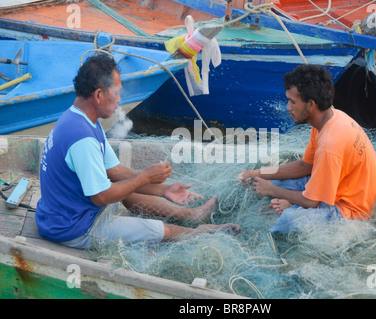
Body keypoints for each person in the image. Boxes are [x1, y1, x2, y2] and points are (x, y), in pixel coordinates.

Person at [35, 54, 240, 249]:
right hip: (74, 229)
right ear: (99, 95)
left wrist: (164, 190)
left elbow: (114, 170)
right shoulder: (83, 139)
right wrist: (144, 176)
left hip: (62, 213)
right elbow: (101, 197)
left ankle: (190, 214)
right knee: (160, 230)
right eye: (116, 93)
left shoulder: (79, 119)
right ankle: (198, 232)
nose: (119, 101)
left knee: (123, 185)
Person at [238, 64, 376, 233]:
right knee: (275, 180)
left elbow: (311, 201)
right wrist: (256, 173)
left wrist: (272, 190)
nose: (288, 107)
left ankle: (290, 208)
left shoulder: (330, 145)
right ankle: (289, 203)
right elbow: (304, 166)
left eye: (292, 102)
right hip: (340, 186)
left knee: (288, 220)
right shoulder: (329, 119)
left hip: (352, 209)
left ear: (311, 105)